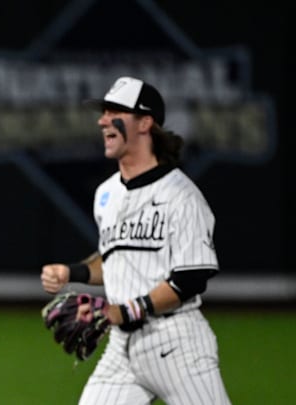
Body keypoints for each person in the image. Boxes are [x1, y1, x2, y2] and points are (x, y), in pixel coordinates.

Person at [41, 76, 231, 404]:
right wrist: (71, 272)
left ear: (145, 122)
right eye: (103, 112)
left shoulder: (181, 196)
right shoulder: (107, 193)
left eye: (115, 111)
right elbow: (115, 260)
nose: (102, 120)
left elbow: (190, 278)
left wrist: (121, 311)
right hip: (123, 349)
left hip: (178, 344)